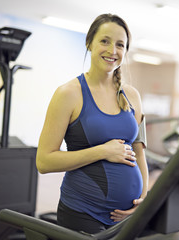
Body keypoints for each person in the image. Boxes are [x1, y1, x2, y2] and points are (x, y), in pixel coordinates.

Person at [36, 13, 148, 234]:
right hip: (82, 212)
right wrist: (102, 151)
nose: (112, 51)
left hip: (127, 217)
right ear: (89, 43)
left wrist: (143, 198)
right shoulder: (68, 94)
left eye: (120, 45)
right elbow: (44, 161)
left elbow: (140, 152)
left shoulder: (133, 96)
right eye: (104, 41)